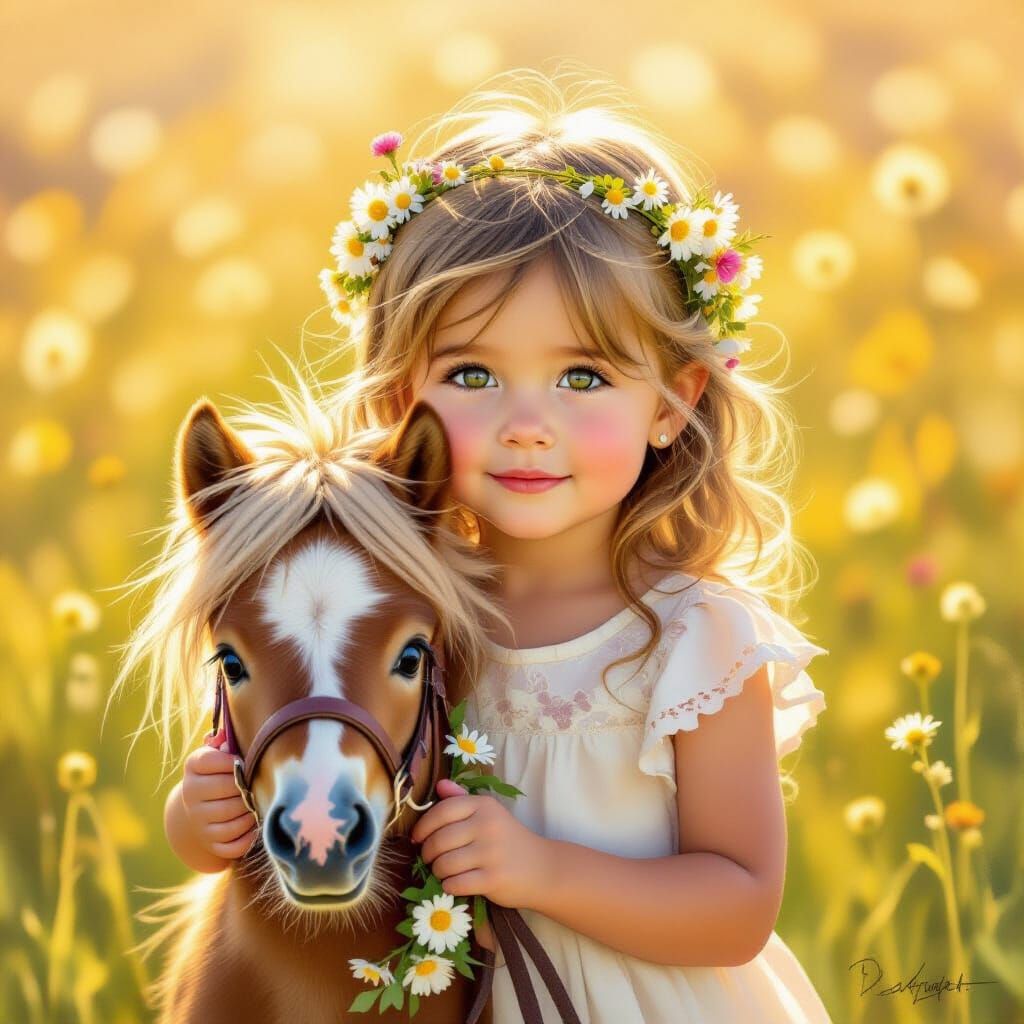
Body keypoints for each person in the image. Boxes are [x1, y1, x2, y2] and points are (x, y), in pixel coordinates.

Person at [166, 63, 833, 1021]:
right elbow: (287, 758)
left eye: (583, 377)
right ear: (403, 398)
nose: (527, 426)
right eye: (474, 376)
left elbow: (739, 908)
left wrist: (542, 871)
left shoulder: (694, 638)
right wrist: (200, 819)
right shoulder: (395, 612)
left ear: (671, 403)